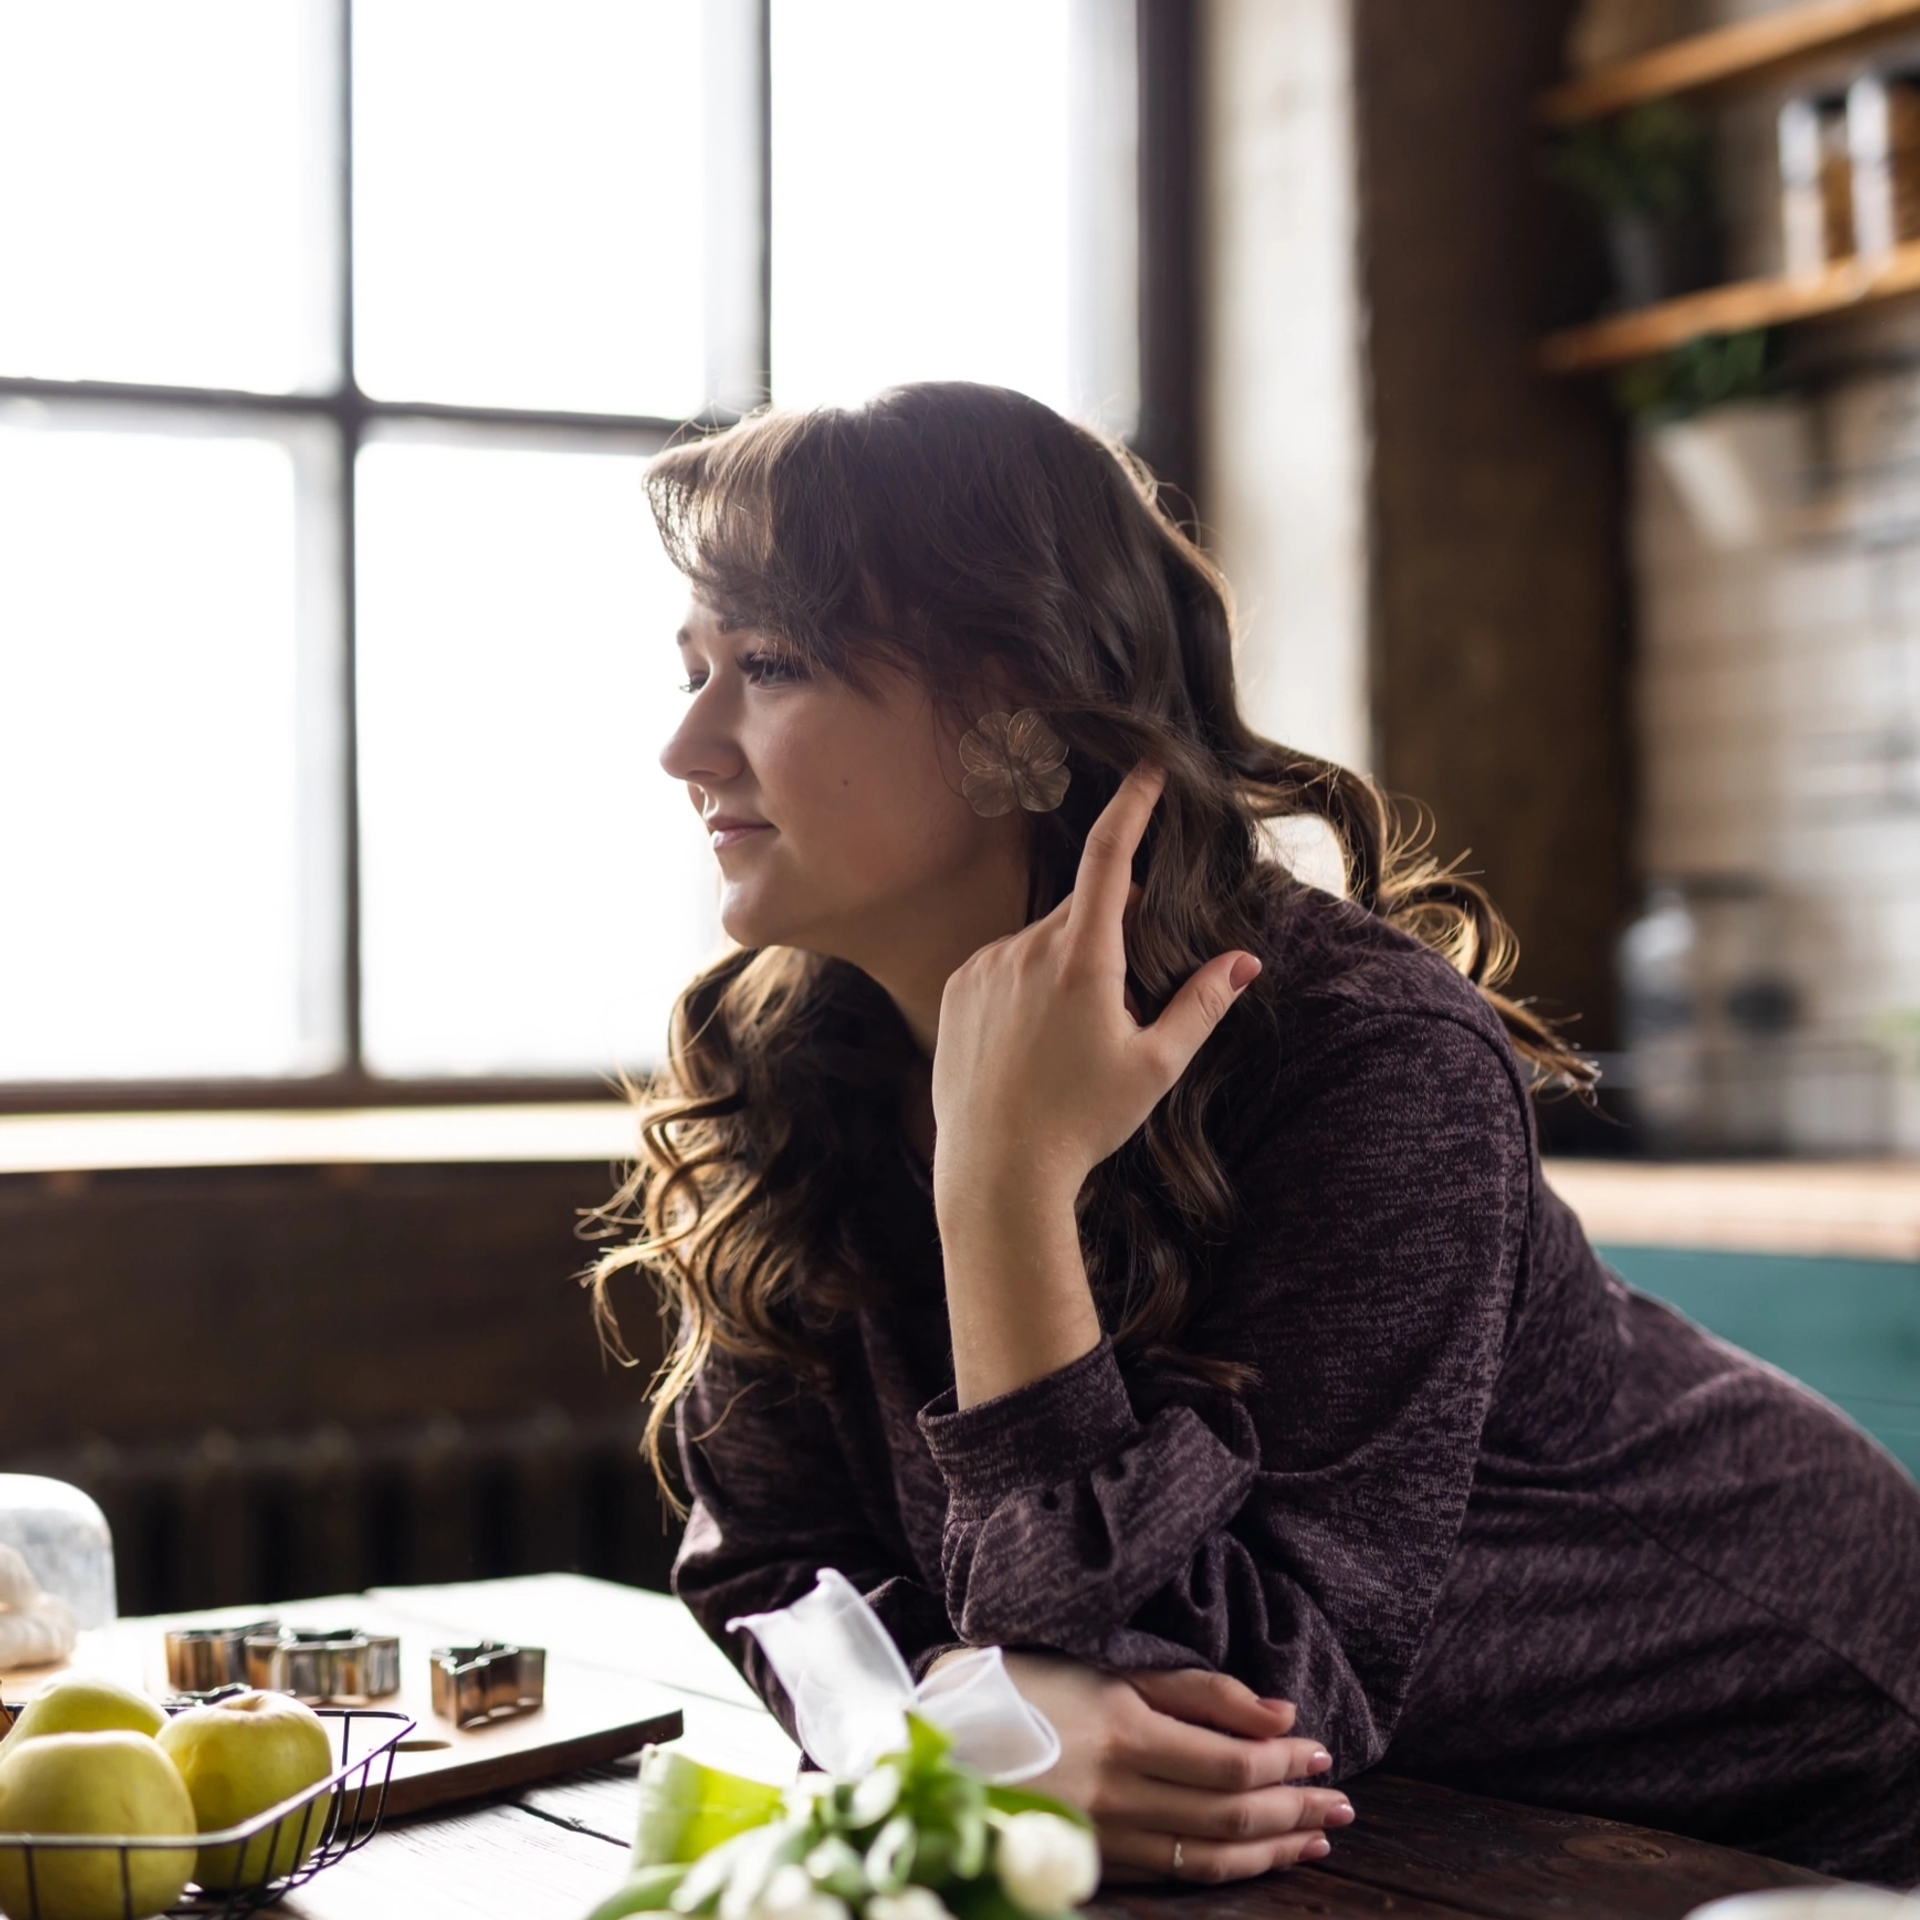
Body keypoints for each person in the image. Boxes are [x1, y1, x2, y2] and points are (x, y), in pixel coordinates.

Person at [588, 382, 1920, 1889]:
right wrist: (955, 1715)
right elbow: (770, 1571)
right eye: (696, 669)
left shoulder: (1360, 1051)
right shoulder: (782, 1054)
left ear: (1015, 707)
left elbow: (1254, 1698)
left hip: (1801, 1777)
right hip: (1412, 1830)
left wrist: (1004, 1192)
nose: (688, 749)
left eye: (766, 666)